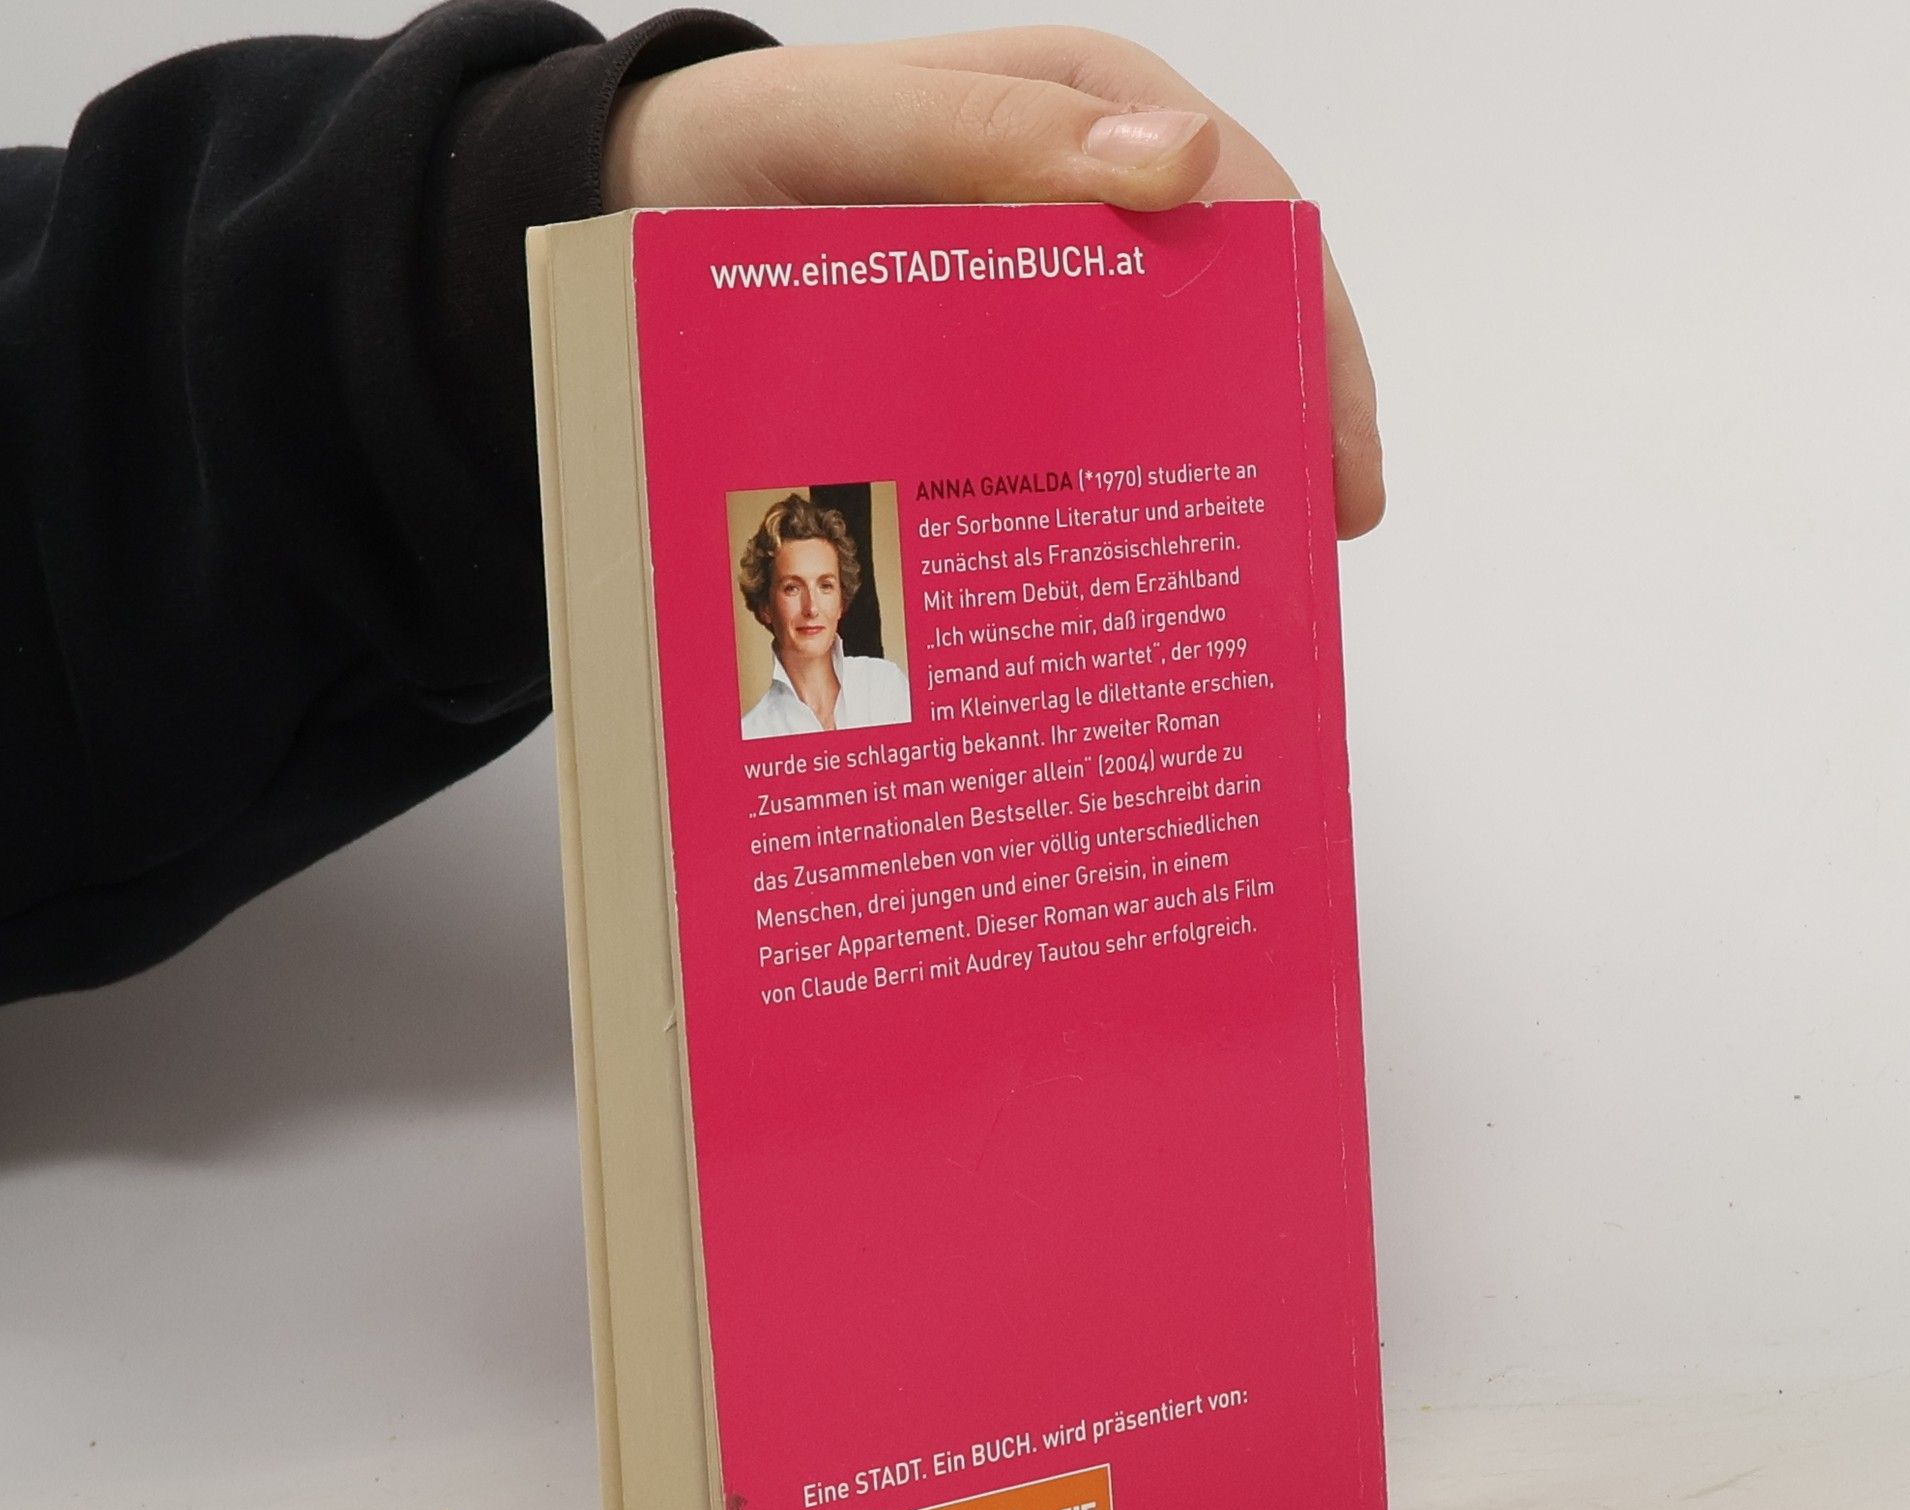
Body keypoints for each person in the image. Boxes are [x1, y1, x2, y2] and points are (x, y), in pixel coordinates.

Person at [0, 6, 1383, 1006]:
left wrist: (504, 239)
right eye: (791, 584)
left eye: (824, 584)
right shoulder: (784, 734)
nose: (808, 603)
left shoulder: (876, 691)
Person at [737, 494, 911, 738]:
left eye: (825, 586)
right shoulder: (752, 731)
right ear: (766, 606)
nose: (811, 608)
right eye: (792, 588)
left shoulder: (886, 687)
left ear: (841, 602)